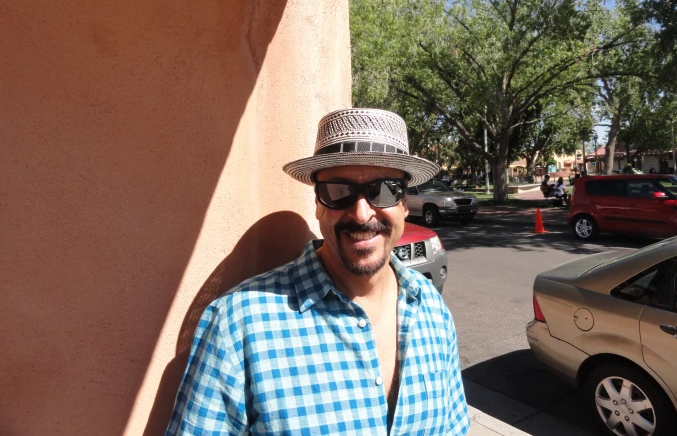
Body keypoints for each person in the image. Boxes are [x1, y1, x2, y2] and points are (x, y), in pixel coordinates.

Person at [166, 109, 470, 436]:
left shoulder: (434, 313)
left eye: (384, 189)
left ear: (404, 204)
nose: (361, 212)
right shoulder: (237, 327)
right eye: (338, 191)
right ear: (318, 204)